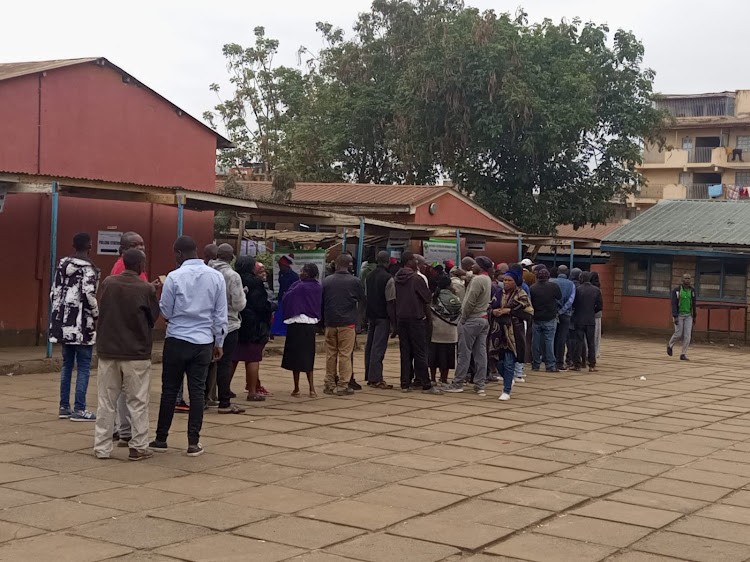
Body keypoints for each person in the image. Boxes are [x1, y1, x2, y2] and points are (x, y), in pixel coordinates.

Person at [150, 236, 227, 457]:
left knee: (169, 391)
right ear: (197, 251)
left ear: (178, 254)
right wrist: (219, 341)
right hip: (203, 341)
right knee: (197, 392)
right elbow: (220, 313)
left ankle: (161, 438)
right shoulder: (216, 277)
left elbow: (166, 311)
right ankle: (193, 442)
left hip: (176, 338)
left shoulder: (174, 277)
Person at [94, 249, 159, 460]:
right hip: (135, 352)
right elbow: (153, 317)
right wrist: (154, 291)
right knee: (137, 401)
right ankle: (138, 445)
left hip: (108, 349)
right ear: (140, 265)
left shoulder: (109, 283)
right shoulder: (145, 288)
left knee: (106, 401)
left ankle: (102, 447)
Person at [50, 232, 100, 422]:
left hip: (63, 324)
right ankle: (80, 409)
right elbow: (88, 295)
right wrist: (96, 314)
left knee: (67, 365)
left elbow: (54, 292)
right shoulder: (88, 268)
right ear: (90, 245)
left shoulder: (62, 265)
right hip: (82, 325)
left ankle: (64, 407)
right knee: (84, 366)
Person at [394, 252, 442, 395]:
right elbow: (427, 298)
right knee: (420, 352)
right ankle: (426, 384)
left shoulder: (396, 278)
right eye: (415, 260)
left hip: (401, 318)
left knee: (405, 352)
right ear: (409, 262)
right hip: (416, 318)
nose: (417, 262)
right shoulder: (416, 279)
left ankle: (405, 383)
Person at [443, 256, 493, 396]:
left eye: (475, 264)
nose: (472, 266)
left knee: (464, 354)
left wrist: (463, 319)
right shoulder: (487, 278)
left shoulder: (477, 281)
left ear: (481, 266)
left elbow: (470, 302)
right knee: (481, 354)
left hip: (471, 320)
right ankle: (480, 384)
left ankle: (458, 383)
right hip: (483, 319)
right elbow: (467, 274)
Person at [231, 257, 274, 401]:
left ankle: (224, 389)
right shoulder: (255, 282)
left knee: (233, 358)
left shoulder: (233, 278)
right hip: (254, 325)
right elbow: (261, 304)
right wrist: (272, 307)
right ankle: (252, 391)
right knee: (253, 358)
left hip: (235, 323)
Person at [210, 244, 247, 414]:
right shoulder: (232, 276)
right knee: (224, 364)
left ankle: (204, 399)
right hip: (229, 324)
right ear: (232, 257)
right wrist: (244, 294)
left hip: (207, 325)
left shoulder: (206, 271)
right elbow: (239, 305)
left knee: (206, 364)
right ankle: (224, 402)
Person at [322, 254, 365, 395]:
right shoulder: (355, 281)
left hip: (330, 322)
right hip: (347, 323)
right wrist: (359, 321)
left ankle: (329, 383)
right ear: (350, 265)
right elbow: (362, 302)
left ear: (335, 264)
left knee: (331, 354)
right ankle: (342, 385)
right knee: (345, 354)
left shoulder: (327, 281)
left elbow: (322, 302)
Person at [282, 263, 323, 397]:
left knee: (295, 359)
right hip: (311, 325)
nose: (300, 272)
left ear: (307, 273)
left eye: (302, 271)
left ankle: (297, 388)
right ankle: (312, 389)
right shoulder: (318, 287)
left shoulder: (299, 286)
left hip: (297, 324)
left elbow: (287, 298)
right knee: (308, 357)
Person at [493, 269, 534, 401]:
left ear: (515, 282)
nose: (505, 282)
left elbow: (528, 313)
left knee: (509, 362)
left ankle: (506, 391)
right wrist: (494, 312)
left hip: (514, 333)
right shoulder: (498, 293)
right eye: (504, 280)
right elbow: (490, 306)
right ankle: (507, 379)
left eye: (509, 280)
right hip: (498, 331)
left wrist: (509, 311)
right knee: (498, 362)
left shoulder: (521, 295)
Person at [364, 251, 395, 389]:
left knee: (369, 346)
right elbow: (390, 302)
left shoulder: (369, 276)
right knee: (378, 348)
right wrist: (394, 322)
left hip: (371, 315)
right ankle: (376, 378)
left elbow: (366, 296)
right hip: (383, 316)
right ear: (387, 261)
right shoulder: (388, 278)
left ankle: (370, 376)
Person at [429, 273, 461, 384]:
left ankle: (432, 378)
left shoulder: (433, 297)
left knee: (433, 358)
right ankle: (444, 379)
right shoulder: (455, 299)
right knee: (446, 358)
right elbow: (459, 314)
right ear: (449, 285)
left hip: (435, 331)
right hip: (450, 333)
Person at [530, 267, 562, 372]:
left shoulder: (533, 288)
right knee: (549, 342)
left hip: (537, 317)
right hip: (550, 317)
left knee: (535, 342)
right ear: (548, 277)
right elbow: (559, 297)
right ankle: (550, 365)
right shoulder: (553, 286)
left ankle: (535, 364)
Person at [571, 272, 603, 372]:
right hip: (590, 320)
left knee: (579, 342)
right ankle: (592, 365)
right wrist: (592, 312)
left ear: (581, 278)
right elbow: (600, 306)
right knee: (591, 343)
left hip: (579, 319)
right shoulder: (596, 290)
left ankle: (577, 364)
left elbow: (574, 304)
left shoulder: (578, 289)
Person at [202, 243, 220, 407]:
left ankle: (207, 397)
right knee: (211, 364)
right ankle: (208, 397)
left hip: (202, 328)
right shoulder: (216, 275)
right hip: (210, 327)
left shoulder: (200, 273)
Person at [550, 265, 576, 371]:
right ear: (567, 273)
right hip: (566, 314)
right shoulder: (571, 284)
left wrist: (556, 311)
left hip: (553, 313)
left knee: (552, 337)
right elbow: (571, 300)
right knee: (562, 338)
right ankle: (559, 362)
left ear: (557, 272)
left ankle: (551, 359)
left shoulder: (552, 283)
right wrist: (562, 311)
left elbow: (551, 299)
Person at [668, 273, 696, 361]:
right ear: (682, 280)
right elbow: (674, 304)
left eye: (689, 278)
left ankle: (683, 354)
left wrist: (694, 316)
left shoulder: (692, 291)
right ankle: (670, 345)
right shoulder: (676, 291)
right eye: (685, 278)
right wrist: (675, 316)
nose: (687, 280)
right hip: (679, 315)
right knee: (678, 334)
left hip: (688, 315)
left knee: (687, 336)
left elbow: (694, 303)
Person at [271, 254, 300, 337]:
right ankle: (276, 331)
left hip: (290, 300)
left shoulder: (294, 276)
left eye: (281, 265)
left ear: (285, 266)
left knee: (287, 315)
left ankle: (285, 331)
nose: (279, 267)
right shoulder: (281, 273)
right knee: (279, 315)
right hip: (281, 298)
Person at [590, 271, 603, 359]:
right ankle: (595, 353)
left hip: (588, 314)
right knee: (596, 335)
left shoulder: (588, 288)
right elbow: (600, 305)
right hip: (597, 315)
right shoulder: (598, 289)